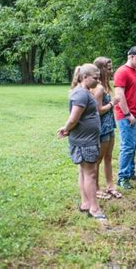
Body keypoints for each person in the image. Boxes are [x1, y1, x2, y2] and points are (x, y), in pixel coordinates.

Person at [57, 64, 106, 220]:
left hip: (87, 140)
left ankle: (86, 203)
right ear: (85, 77)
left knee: (84, 172)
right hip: (85, 142)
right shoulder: (80, 94)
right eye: (95, 78)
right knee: (90, 174)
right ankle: (94, 208)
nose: (98, 81)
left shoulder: (85, 92)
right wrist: (66, 128)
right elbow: (73, 118)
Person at [114, 46, 136, 190]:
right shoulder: (122, 72)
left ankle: (130, 172)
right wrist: (128, 114)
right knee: (127, 147)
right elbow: (119, 94)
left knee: (135, 146)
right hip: (126, 116)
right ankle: (122, 177)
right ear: (131, 56)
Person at [92, 57, 122, 199]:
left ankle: (110, 186)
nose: (111, 71)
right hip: (102, 128)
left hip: (110, 126)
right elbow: (98, 110)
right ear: (102, 69)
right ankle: (96, 188)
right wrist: (112, 103)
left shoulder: (106, 85)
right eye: (109, 68)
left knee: (109, 157)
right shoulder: (97, 88)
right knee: (98, 159)